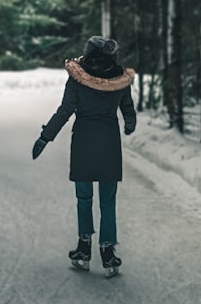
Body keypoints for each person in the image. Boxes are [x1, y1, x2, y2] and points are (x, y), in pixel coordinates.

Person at [32, 35, 136, 276]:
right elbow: (127, 109)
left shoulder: (77, 79)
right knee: (108, 200)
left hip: (83, 141)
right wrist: (129, 124)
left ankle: (84, 248)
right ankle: (108, 252)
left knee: (84, 197)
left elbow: (65, 110)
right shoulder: (120, 79)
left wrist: (45, 137)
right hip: (109, 142)